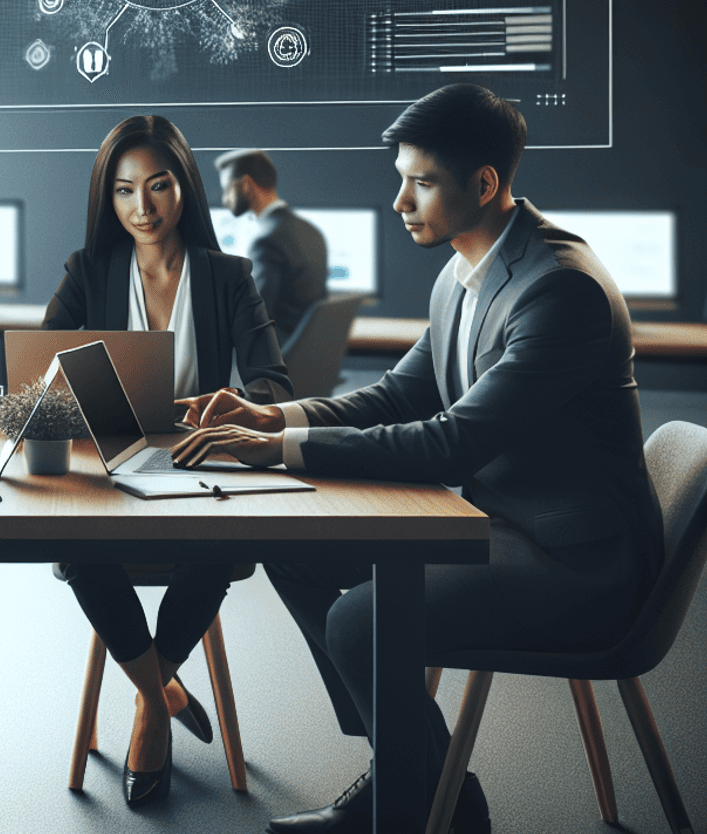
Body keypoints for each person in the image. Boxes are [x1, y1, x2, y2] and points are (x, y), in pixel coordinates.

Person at [174, 84, 663, 834]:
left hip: (577, 568)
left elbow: (450, 441)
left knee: (356, 621)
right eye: (401, 176)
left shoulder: (559, 291)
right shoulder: (465, 272)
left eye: (421, 182)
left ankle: (412, 801)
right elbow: (397, 398)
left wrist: (275, 451)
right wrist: (272, 414)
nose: (400, 200)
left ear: (485, 185)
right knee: (291, 550)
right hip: (502, 527)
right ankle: (430, 783)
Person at [43, 114, 292, 807]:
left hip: (198, 466)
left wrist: (228, 404)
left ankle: (149, 704)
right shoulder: (88, 271)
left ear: (185, 186)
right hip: (112, 472)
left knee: (215, 547)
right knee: (73, 544)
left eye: (158, 186)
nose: (142, 208)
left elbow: (275, 384)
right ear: (108, 198)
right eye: (124, 192)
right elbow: (38, 381)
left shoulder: (226, 277)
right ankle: (164, 691)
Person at [214, 149, 328, 344]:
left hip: (273, 356)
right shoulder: (311, 231)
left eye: (227, 189)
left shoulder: (265, 240)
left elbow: (255, 316)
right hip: (305, 352)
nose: (224, 199)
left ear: (246, 185)